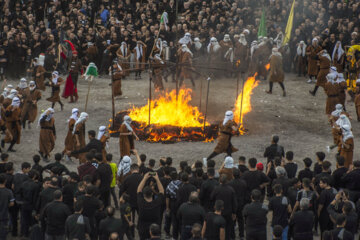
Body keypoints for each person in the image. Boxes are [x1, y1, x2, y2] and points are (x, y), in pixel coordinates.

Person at [136, 172, 164, 240]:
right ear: (152, 194)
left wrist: (145, 178)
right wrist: (157, 179)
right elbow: (161, 191)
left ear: (144, 194)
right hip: (155, 228)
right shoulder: (156, 203)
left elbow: (139, 190)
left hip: (143, 229)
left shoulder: (141, 202)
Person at [228, 169, 247, 239]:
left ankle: (232, 235)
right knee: (241, 219)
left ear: (233, 175)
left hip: (233, 204)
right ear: (240, 174)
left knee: (232, 220)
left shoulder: (230, 183)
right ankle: (241, 234)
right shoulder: (243, 183)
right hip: (241, 203)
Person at [0, 173, 15, 240]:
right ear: (5, 181)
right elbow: (12, 203)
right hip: (4, 215)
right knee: (3, 233)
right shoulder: (9, 192)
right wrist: (6, 205)